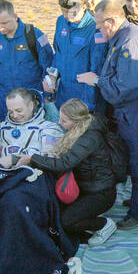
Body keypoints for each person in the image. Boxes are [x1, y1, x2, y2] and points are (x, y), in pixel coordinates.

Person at [87, 0, 138, 229]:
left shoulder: (129, 42)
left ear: (112, 21)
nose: (98, 29)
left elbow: (125, 86)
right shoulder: (123, 36)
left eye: (99, 24)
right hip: (130, 111)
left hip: (134, 111)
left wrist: (97, 81)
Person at [23, 98, 119, 244]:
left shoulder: (90, 137)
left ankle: (103, 224)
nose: (60, 124)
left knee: (66, 221)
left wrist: (32, 159)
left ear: (77, 120)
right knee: (57, 215)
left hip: (101, 192)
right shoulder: (80, 131)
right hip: (85, 187)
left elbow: (64, 163)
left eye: (64, 121)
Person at [0, 0, 53, 119]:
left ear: (15, 16)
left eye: (4, 23)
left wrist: (47, 95)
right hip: (3, 98)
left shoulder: (33, 35)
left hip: (31, 97)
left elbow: (49, 66)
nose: (0, 28)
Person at [0, 88, 64, 163]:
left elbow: (50, 159)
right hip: (3, 175)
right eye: (10, 111)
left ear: (31, 106)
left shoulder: (50, 129)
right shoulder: (1, 129)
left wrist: (14, 160)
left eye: (19, 110)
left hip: (34, 175)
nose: (15, 115)